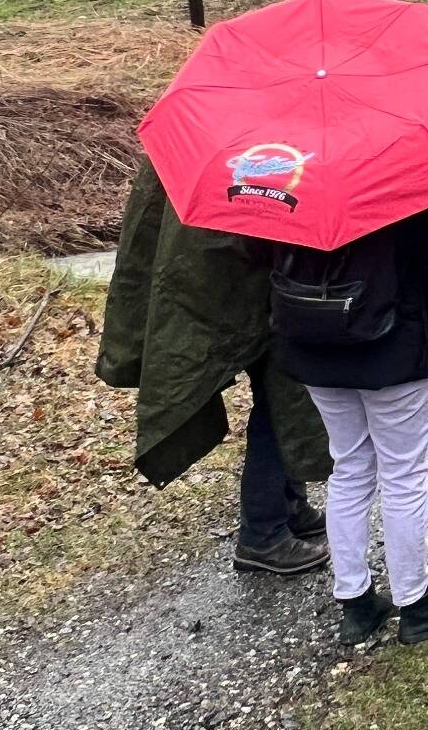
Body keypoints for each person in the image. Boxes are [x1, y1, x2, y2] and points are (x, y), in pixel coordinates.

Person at [101, 157, 331, 577]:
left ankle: (286, 503)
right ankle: (263, 533)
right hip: (233, 278)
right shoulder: (224, 126)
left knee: (284, 394)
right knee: (285, 395)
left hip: (232, 274)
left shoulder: (202, 122)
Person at [272, 200, 428, 648]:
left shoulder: (289, 177)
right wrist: (427, 336)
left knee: (347, 467)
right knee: (404, 475)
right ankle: (416, 602)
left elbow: (259, 261)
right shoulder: (414, 170)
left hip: (313, 343)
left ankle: (356, 600)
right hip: (393, 344)